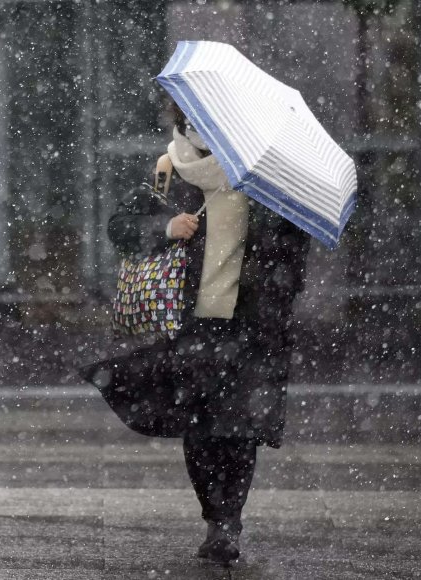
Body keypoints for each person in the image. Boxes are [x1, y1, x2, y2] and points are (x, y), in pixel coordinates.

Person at [104, 103, 311, 566]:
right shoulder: (168, 169)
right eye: (194, 119)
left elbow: (293, 250)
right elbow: (119, 228)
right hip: (190, 324)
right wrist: (165, 227)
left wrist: (270, 278)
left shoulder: (261, 177)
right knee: (200, 429)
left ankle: (227, 522)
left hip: (250, 325)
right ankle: (213, 513)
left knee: (239, 427)